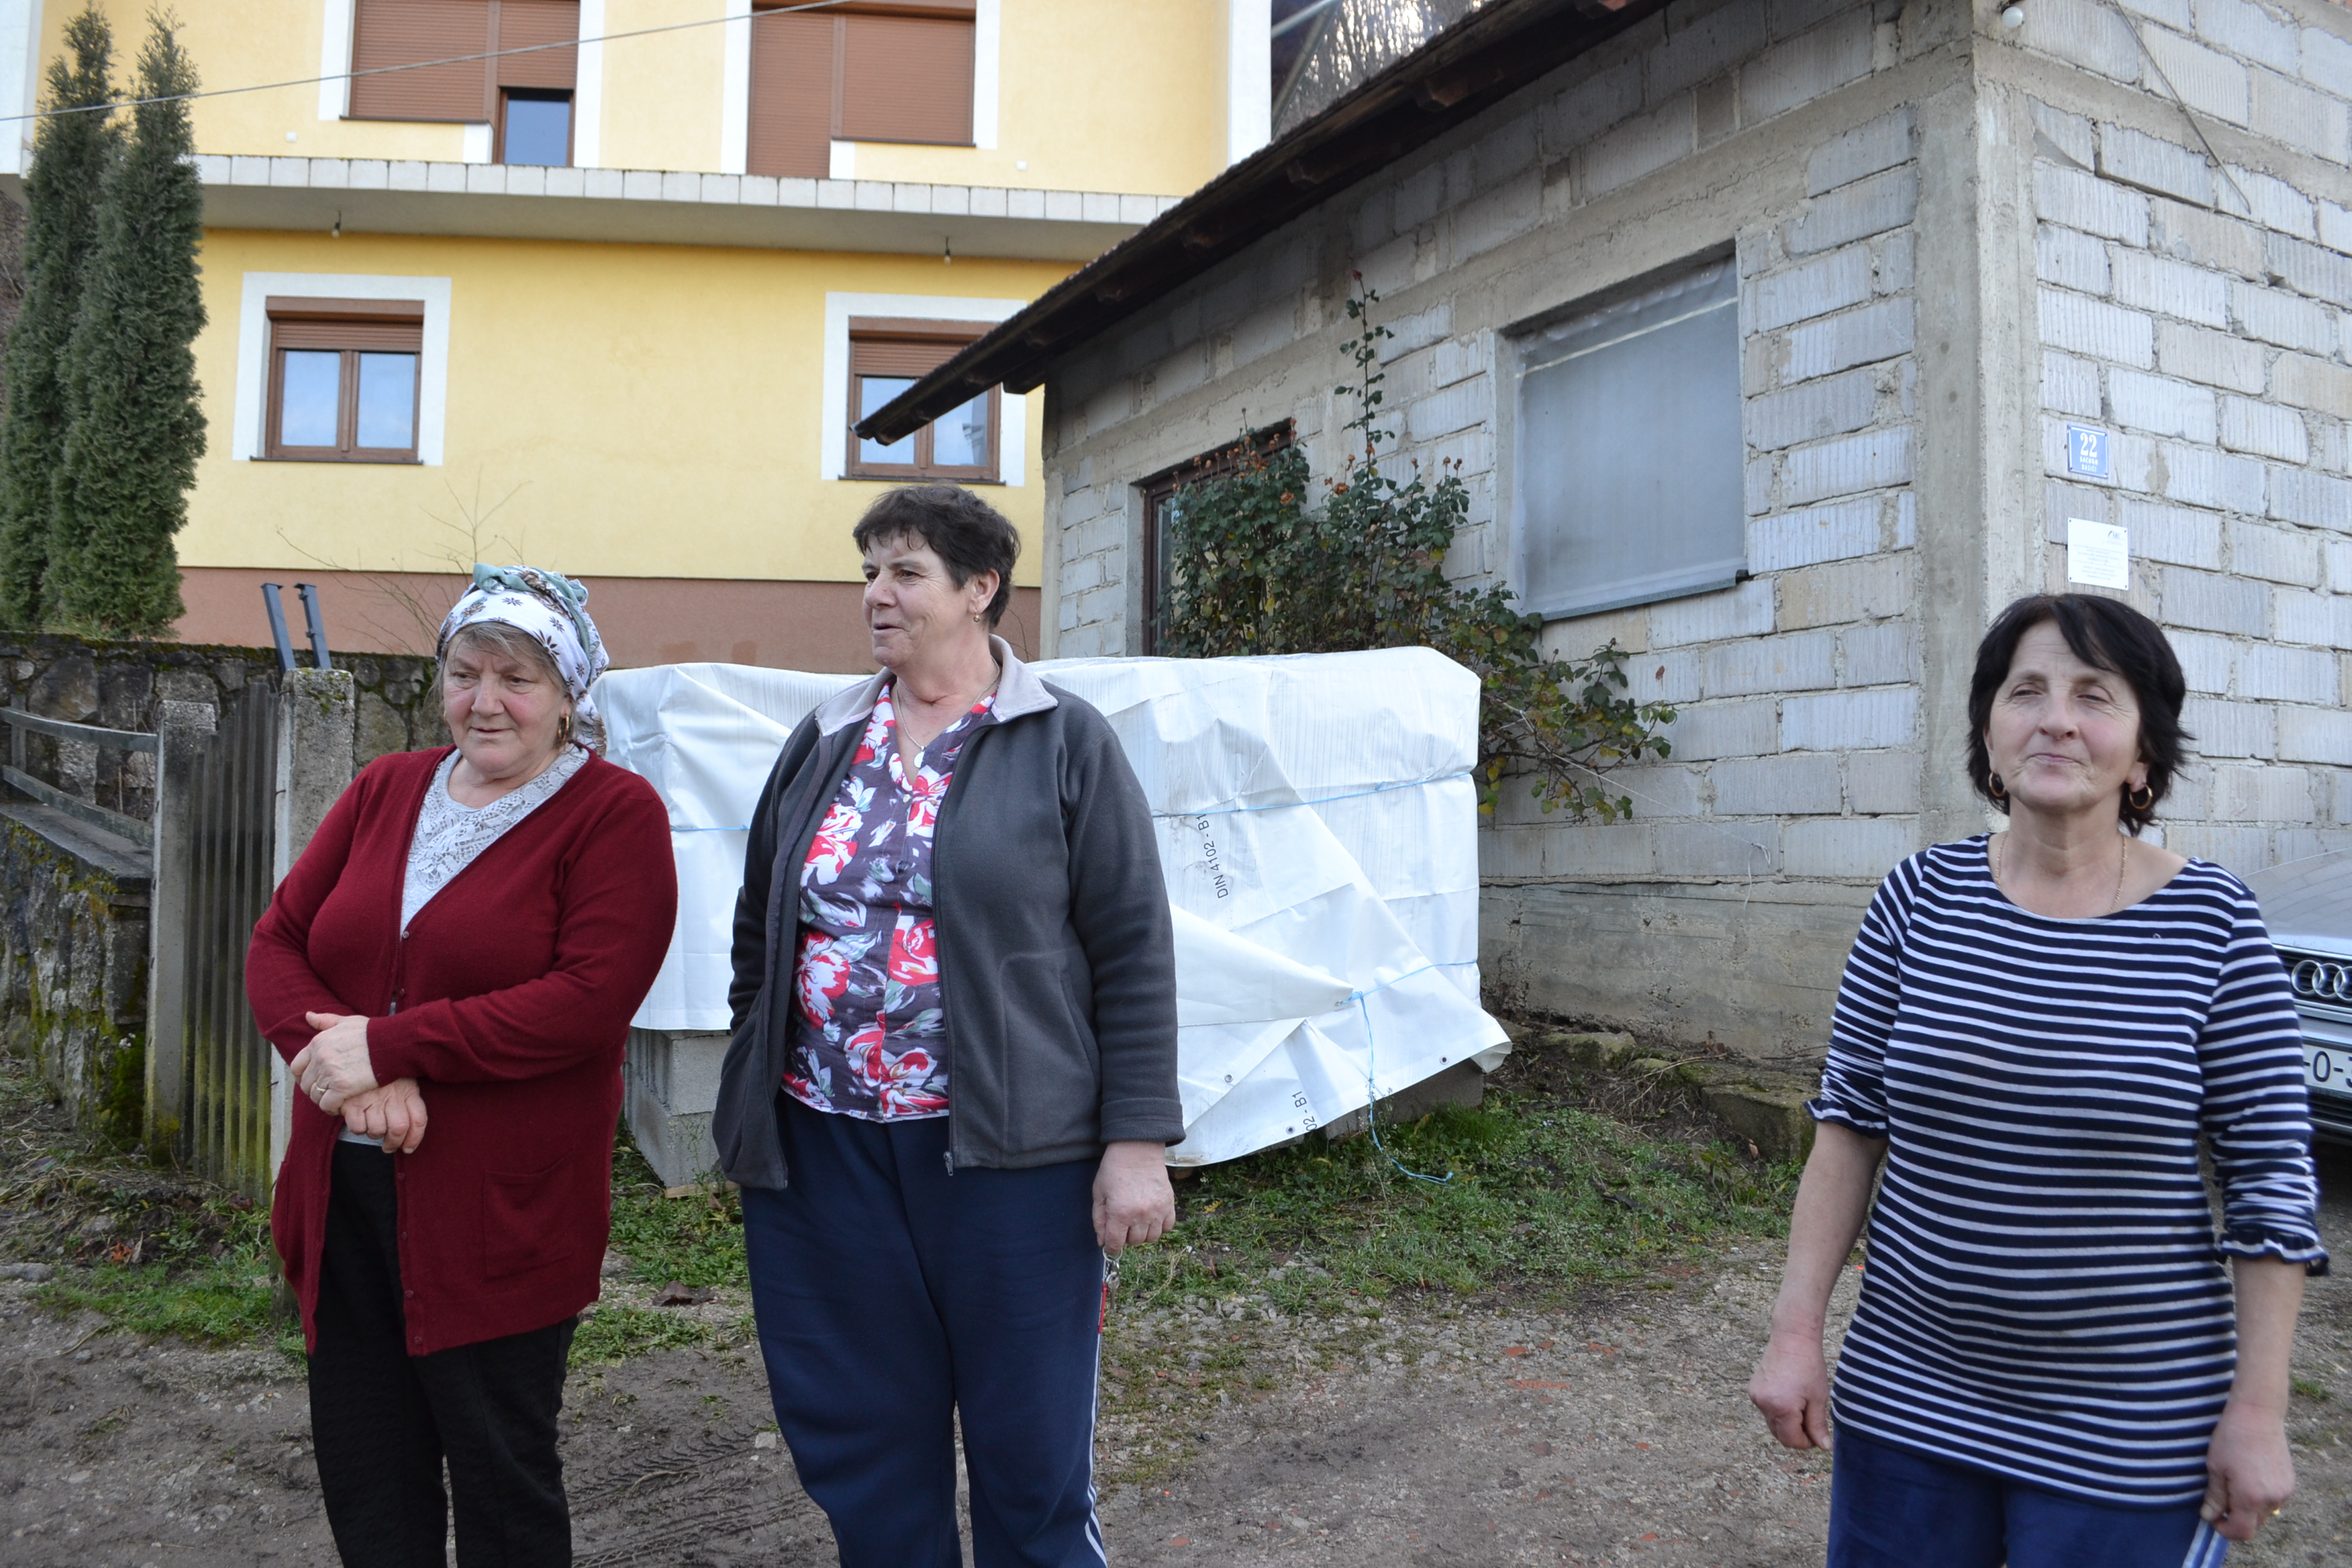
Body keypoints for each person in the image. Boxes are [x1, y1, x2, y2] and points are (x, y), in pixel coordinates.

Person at [1747, 593, 2324, 1567]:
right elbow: (1848, 1126)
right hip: (1910, 1398)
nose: (2056, 718)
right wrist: (1795, 1333)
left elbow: (2271, 1179)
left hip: (2133, 1429)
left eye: (2094, 696)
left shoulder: (2214, 926)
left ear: (2143, 752)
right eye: (2027, 692)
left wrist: (2259, 1412)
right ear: (1989, 731)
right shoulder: (1916, 900)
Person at [716, 483, 1183, 1567]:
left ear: (980, 589)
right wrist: (754, 1079)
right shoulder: (826, 736)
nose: (877, 595)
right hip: (826, 1146)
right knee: (863, 1432)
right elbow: (759, 932)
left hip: (1010, 1158)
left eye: (905, 572)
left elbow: (1132, 948)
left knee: (1031, 1447)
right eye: (869, 573)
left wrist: (1136, 1141)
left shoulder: (1060, 738)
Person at [247, 565, 677, 1568]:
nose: (486, 701)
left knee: (501, 1477)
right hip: (344, 1196)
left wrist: (392, 1046)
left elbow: (587, 1003)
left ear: (568, 696)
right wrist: (352, 1072)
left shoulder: (614, 814)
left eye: (518, 679)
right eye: (465, 673)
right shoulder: (385, 787)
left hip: (494, 1214)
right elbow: (278, 944)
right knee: (369, 1467)